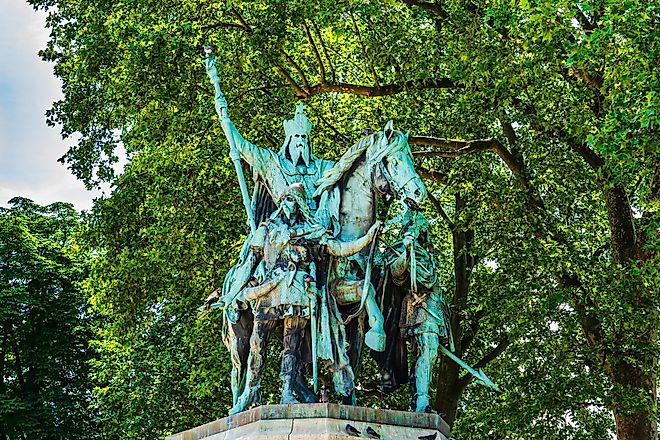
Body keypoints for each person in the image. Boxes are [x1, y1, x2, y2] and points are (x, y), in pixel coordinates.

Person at [229, 184, 380, 414]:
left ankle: (287, 391)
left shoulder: (311, 230)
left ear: (299, 204)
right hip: (270, 291)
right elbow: (250, 261)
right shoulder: (267, 228)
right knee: (257, 343)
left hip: (299, 291)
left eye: (293, 199)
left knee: (292, 346)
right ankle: (250, 390)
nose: (289, 203)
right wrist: (235, 291)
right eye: (286, 198)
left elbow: (338, 248)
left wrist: (367, 238)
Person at [384, 209, 454, 413]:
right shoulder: (401, 248)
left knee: (426, 355)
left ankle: (419, 402)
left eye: (424, 228)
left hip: (434, 308)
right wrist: (406, 250)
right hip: (418, 309)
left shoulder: (427, 254)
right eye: (419, 227)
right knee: (426, 352)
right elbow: (396, 273)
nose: (423, 232)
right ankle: (422, 401)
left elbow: (433, 281)